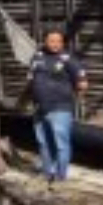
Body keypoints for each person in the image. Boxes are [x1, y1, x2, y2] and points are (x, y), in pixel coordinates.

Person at [27, 28, 88, 185]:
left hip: (60, 108)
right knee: (43, 143)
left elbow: (82, 83)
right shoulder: (37, 57)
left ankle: (61, 176)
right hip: (39, 107)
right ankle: (48, 174)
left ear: (62, 43)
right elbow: (31, 78)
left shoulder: (69, 59)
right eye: (51, 40)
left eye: (58, 41)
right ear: (45, 41)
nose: (54, 44)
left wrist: (75, 98)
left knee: (61, 144)